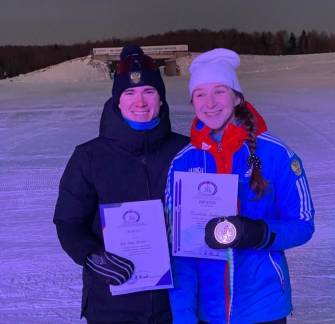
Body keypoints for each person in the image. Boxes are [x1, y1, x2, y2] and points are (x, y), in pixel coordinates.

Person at [165, 48, 315, 324]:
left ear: (237, 97)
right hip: (206, 312)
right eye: (200, 94)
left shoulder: (275, 153)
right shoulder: (183, 162)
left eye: (219, 91)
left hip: (263, 307)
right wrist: (183, 316)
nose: (210, 103)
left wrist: (256, 233)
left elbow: (303, 223)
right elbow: (179, 250)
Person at [53, 44, 189, 324]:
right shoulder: (89, 156)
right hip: (111, 304)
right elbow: (68, 222)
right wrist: (91, 256)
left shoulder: (186, 151)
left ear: (161, 99)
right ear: (118, 101)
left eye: (148, 92)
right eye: (130, 93)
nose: (140, 102)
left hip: (177, 304)